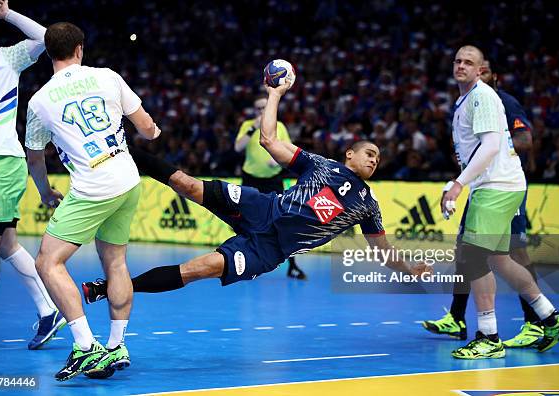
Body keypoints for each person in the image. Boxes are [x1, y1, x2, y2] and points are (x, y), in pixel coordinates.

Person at [82, 81, 432, 307]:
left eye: (378, 158)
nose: (374, 159)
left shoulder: (367, 204)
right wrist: (275, 94)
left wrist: (410, 268)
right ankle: (123, 149)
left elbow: (383, 253)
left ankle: (109, 287)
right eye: (368, 152)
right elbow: (269, 141)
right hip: (261, 208)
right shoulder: (320, 164)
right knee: (187, 184)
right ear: (349, 154)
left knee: (199, 269)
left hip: (269, 250)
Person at [25, 22, 160, 381]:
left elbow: (35, 158)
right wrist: (152, 131)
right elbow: (145, 126)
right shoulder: (107, 77)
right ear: (80, 49)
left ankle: (86, 347)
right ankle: (117, 345)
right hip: (127, 181)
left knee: (48, 263)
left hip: (91, 189)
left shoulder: (39, 102)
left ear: (49, 54)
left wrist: (44, 191)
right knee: (115, 262)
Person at [439, 45, 559, 359]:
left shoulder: (482, 96)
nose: (461, 65)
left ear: (480, 69)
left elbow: (490, 146)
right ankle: (551, 318)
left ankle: (489, 337)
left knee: (473, 258)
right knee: (500, 260)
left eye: (468, 62)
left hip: (496, 187)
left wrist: (460, 185)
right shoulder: (465, 100)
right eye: (457, 60)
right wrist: (458, 181)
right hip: (498, 185)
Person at [422, 59, 543, 349]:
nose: (477, 74)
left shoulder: (502, 102)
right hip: (482, 186)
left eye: (484, 70)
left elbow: (525, 139)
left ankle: (536, 322)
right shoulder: (471, 105)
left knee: (515, 251)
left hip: (503, 185)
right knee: (466, 248)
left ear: (493, 76)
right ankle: (457, 317)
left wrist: (495, 148)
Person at [0, 0, 65, 350]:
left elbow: (46, 38)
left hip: (5, 161)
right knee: (7, 245)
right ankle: (47, 311)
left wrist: (7, 15)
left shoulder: (5, 60)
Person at [235, 95, 306, 279]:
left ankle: (292, 266)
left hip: (273, 179)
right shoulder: (247, 125)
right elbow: (237, 148)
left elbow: (290, 150)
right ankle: (246, 264)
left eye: (264, 108)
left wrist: (279, 161)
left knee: (283, 219)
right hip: (250, 179)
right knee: (246, 223)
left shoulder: (279, 126)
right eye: (258, 108)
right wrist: (253, 128)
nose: (261, 111)